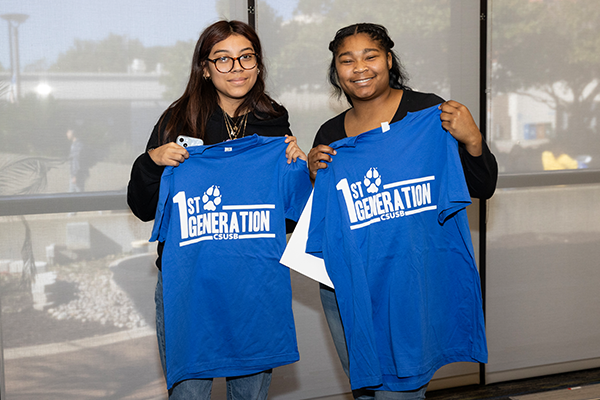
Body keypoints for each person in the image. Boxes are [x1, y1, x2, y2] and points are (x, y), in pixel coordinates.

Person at [307, 23, 498, 399]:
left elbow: (482, 187)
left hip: (411, 278)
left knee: (402, 389)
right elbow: (319, 214)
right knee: (363, 385)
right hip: (350, 279)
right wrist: (312, 174)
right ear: (336, 71)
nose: (359, 67)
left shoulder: (429, 112)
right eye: (347, 60)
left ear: (389, 60)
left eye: (370, 56)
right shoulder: (330, 134)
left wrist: (472, 139)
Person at [127, 20, 308, 399]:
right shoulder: (178, 119)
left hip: (254, 283)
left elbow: (287, 218)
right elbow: (144, 208)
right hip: (190, 283)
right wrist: (152, 162)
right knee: (189, 392)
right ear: (205, 68)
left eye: (246, 57)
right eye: (223, 59)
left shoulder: (274, 120)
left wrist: (295, 170)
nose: (237, 68)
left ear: (258, 64)